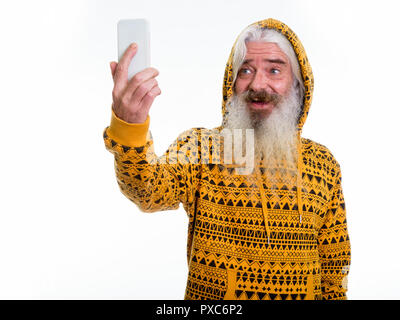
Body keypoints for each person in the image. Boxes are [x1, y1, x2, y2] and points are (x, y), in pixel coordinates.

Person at [103, 18, 351, 300]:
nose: (258, 83)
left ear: (298, 83)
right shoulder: (201, 148)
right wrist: (129, 125)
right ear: (231, 82)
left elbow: (335, 268)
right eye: (245, 70)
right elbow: (146, 190)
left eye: (274, 70)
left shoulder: (323, 163)